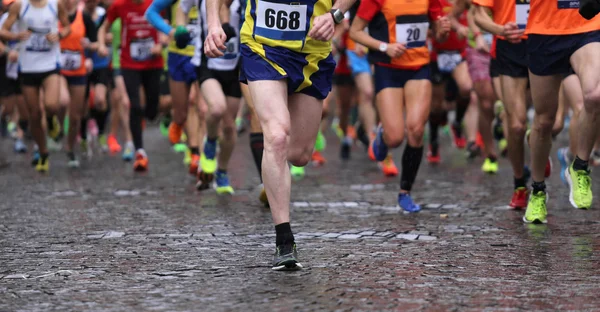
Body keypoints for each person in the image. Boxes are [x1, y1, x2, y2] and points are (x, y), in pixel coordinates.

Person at [204, 0, 357, 270]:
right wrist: (214, 25)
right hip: (262, 48)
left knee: (299, 155)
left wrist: (335, 14)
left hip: (312, 54)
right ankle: (284, 241)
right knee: (276, 136)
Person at [349, 0, 450, 212]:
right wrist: (385, 47)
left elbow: (439, 35)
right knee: (395, 138)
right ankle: (383, 134)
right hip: (388, 69)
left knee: (416, 129)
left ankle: (405, 191)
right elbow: (355, 32)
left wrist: (442, 31)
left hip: (419, 67)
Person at [524, 0, 600, 223]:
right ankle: (537, 190)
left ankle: (580, 166)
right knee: (544, 121)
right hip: (544, 30)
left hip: (586, 24)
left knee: (595, 94)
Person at [0, 0, 71, 172]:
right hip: (28, 67)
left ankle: (51, 120)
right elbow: (2, 31)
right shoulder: (20, 7)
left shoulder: (55, 5)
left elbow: (68, 26)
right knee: (34, 114)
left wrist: (60, 35)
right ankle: (44, 153)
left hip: (50, 64)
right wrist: (16, 37)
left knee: (52, 105)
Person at [97, 0, 164, 171]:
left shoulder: (155, 4)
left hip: (153, 63)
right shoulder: (119, 6)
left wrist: (161, 44)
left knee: (152, 109)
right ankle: (139, 151)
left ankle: (149, 115)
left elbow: (165, 28)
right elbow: (103, 28)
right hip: (129, 64)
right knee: (134, 105)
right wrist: (102, 45)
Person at [145, 0, 204, 175]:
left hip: (201, 55)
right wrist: (169, 31)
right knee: (181, 113)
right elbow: (151, 12)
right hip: (178, 57)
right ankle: (177, 123)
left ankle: (195, 152)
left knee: (197, 104)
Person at [59, 0, 98, 168]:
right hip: (58, 70)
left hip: (78, 71)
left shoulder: (84, 17)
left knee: (75, 116)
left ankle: (69, 148)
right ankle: (57, 128)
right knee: (62, 101)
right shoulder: (54, 13)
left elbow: (96, 42)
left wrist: (89, 47)